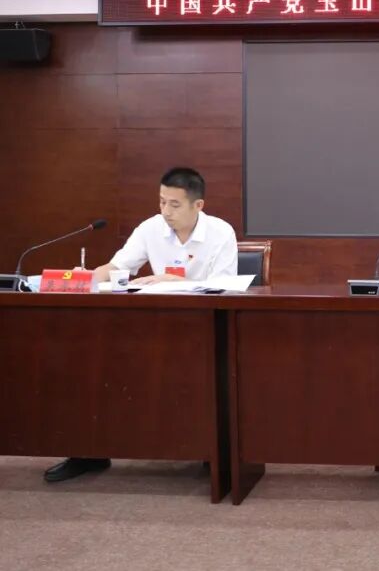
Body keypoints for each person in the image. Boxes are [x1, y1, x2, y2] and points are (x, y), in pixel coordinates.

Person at [44, 167, 238, 483]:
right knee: (95, 360)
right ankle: (88, 450)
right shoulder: (150, 228)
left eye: (174, 204)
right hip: (154, 325)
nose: (165, 211)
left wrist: (177, 281)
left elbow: (226, 286)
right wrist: (84, 279)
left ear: (198, 205)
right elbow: (118, 267)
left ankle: (210, 450)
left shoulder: (221, 232)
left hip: (203, 330)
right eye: (161, 202)